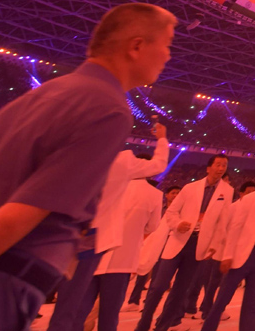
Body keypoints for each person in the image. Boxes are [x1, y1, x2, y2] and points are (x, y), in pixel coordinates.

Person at [0, 2, 175, 331]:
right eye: (167, 44)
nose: (169, 55)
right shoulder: (107, 108)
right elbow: (16, 218)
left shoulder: (47, 93)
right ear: (137, 46)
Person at [48, 123, 170, 331]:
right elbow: (158, 165)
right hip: (104, 245)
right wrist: (162, 139)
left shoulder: (74, 157)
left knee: (69, 305)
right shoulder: (122, 163)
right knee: (104, 312)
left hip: (72, 236)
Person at [135, 155, 233, 331]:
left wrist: (215, 245)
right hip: (177, 242)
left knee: (180, 292)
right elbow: (171, 212)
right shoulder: (190, 188)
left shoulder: (227, 191)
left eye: (224, 165)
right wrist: (178, 224)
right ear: (208, 168)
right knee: (158, 286)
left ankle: (162, 326)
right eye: (218, 165)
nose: (221, 168)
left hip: (198, 247)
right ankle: (143, 323)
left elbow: (222, 223)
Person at [199, 162, 255, 331]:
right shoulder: (251, 199)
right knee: (222, 299)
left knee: (253, 302)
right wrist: (227, 255)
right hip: (242, 254)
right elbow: (235, 228)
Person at [80, 176, 164, 331]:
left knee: (81, 307)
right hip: (122, 260)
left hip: (95, 254)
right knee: (109, 313)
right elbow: (152, 227)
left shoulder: (109, 186)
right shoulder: (154, 194)